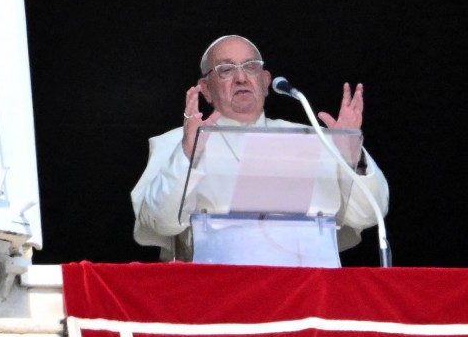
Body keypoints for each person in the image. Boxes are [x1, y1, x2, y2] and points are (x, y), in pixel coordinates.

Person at [131, 35, 388, 261]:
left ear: (265, 82)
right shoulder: (176, 143)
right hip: (214, 293)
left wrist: (351, 156)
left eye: (250, 67)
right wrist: (188, 154)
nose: (241, 78)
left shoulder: (310, 138)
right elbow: (161, 222)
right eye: (226, 69)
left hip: (305, 290)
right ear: (206, 90)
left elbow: (365, 216)